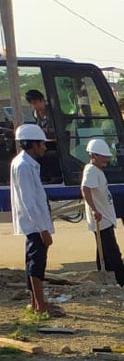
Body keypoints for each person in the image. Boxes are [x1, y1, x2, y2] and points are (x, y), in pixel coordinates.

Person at [10, 124, 61, 316]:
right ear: (33, 144)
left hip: (35, 223)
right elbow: (28, 201)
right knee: (36, 263)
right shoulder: (23, 166)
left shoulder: (27, 163)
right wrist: (42, 229)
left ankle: (35, 304)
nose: (45, 148)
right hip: (34, 224)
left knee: (33, 262)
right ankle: (40, 306)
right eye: (42, 144)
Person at [81, 139, 124, 291]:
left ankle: (104, 278)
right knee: (113, 252)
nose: (106, 159)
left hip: (105, 218)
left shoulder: (97, 171)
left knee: (104, 252)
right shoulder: (91, 170)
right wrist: (94, 209)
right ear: (93, 156)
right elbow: (85, 189)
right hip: (101, 218)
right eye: (103, 156)